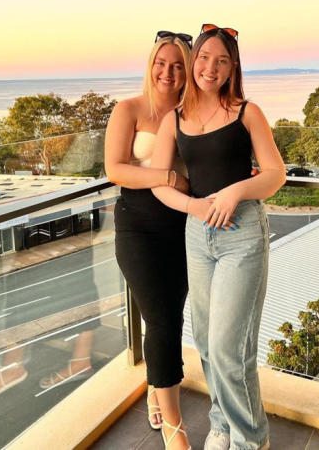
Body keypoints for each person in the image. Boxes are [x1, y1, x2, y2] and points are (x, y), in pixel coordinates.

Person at [152, 24, 285, 450]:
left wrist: (235, 191)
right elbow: (159, 183)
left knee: (231, 349)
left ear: (232, 69)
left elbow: (275, 174)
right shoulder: (175, 119)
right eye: (205, 58)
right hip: (198, 234)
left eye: (222, 61)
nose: (210, 67)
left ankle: (251, 441)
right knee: (206, 340)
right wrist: (194, 207)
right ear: (195, 63)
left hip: (241, 233)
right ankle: (222, 423)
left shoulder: (248, 113)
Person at [104, 31, 193, 450]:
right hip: (137, 226)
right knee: (162, 321)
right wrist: (168, 177)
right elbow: (116, 169)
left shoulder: (194, 114)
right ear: (151, 64)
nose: (168, 72)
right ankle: (176, 429)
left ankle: (155, 387)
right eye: (162, 62)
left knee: (169, 315)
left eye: (178, 64)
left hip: (182, 228)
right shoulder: (129, 109)